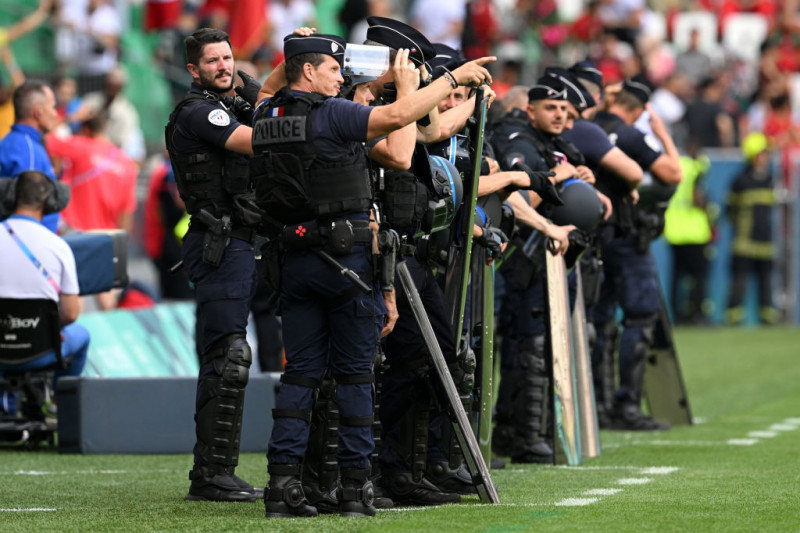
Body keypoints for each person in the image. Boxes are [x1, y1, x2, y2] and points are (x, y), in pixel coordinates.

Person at [252, 31, 493, 518]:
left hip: (294, 260)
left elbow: (264, 90)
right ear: (309, 72)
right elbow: (401, 128)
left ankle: (281, 485)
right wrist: (439, 81)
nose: (341, 76)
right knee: (355, 377)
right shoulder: (335, 114)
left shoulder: (265, 116)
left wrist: (293, 48)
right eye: (333, 68)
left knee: (299, 375)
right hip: (348, 266)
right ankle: (356, 488)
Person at [164, 27, 263, 503]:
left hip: (256, 241)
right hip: (221, 245)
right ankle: (212, 473)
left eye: (228, 58)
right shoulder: (199, 113)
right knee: (228, 358)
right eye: (213, 61)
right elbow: (260, 139)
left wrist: (268, 75)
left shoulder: (237, 101)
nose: (224, 66)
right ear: (193, 70)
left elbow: (265, 105)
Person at [591, 75, 682, 430]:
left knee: (598, 320)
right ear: (643, 109)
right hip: (627, 237)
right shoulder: (629, 134)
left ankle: (595, 405)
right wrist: (662, 133)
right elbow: (672, 173)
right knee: (640, 318)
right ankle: (626, 404)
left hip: (595, 238)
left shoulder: (589, 124)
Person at [0, 170, 90, 417]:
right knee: (82, 336)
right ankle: (62, 408)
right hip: (41, 351)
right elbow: (71, 314)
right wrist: (49, 328)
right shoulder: (58, 246)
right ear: (49, 202)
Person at [725, 132, 779, 325]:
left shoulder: (770, 179)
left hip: (765, 242)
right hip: (744, 243)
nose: (765, 157)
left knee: (766, 283)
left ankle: (768, 320)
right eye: (762, 153)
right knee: (740, 282)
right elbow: (729, 211)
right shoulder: (740, 181)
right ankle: (733, 319)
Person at [664, 142, 714, 325]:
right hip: (695, 230)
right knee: (699, 276)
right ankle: (698, 314)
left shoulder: (677, 166)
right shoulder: (697, 167)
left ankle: (677, 315)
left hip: (675, 230)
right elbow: (697, 197)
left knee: (677, 276)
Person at [0, 82, 60, 233]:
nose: (55, 113)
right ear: (38, 112)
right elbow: (28, 211)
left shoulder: (12, 142)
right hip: (26, 249)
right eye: (52, 107)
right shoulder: (28, 151)